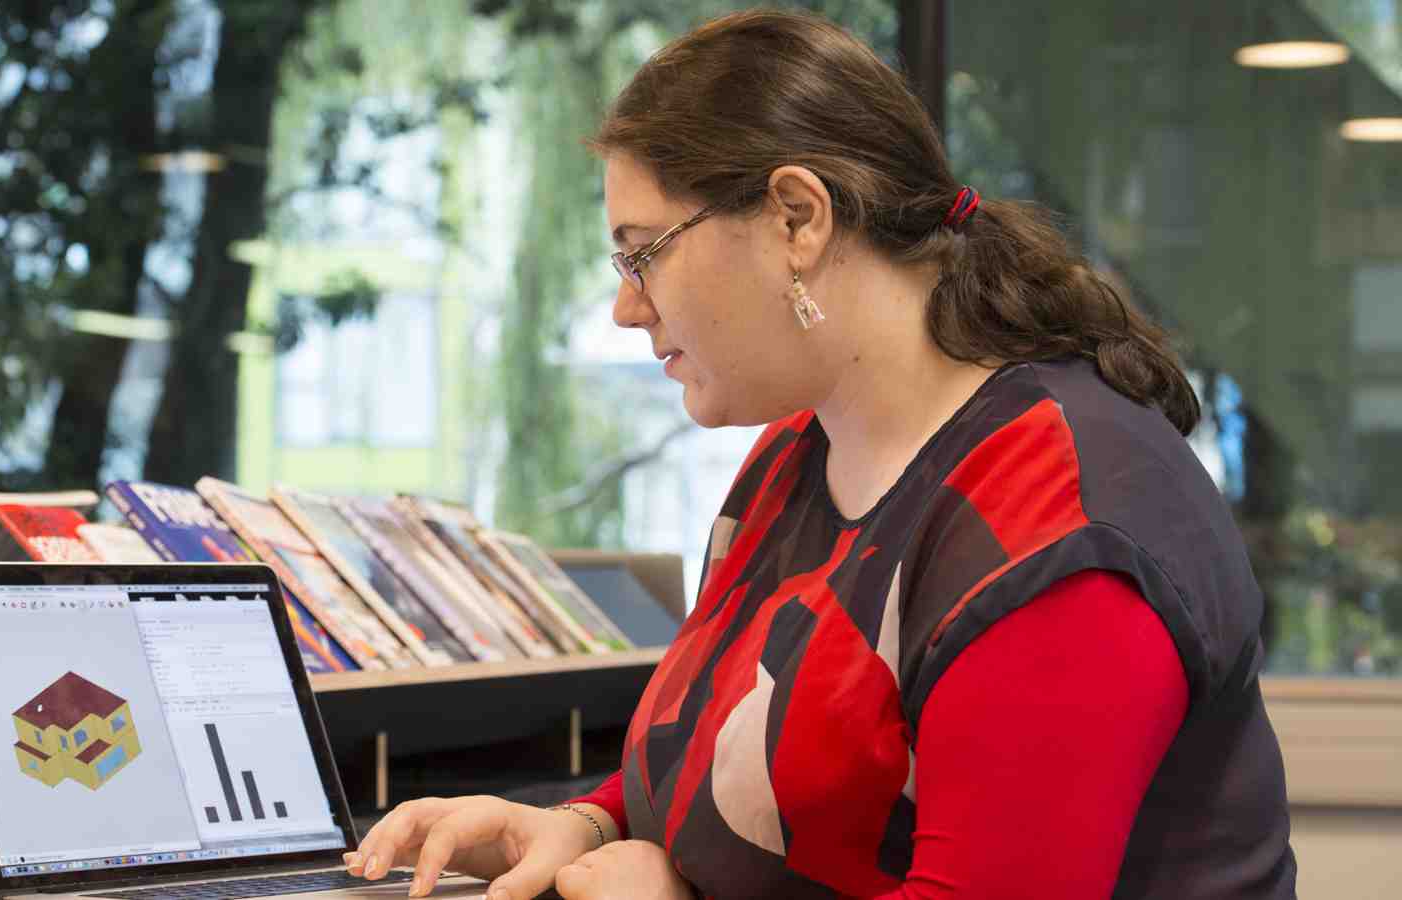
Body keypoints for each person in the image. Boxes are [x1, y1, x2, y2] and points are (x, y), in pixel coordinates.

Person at [344, 10, 1297, 899]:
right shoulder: (800, 451)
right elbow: (741, 758)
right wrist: (580, 828)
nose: (627, 307)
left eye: (644, 253)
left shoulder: (1056, 527)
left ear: (798, 217)